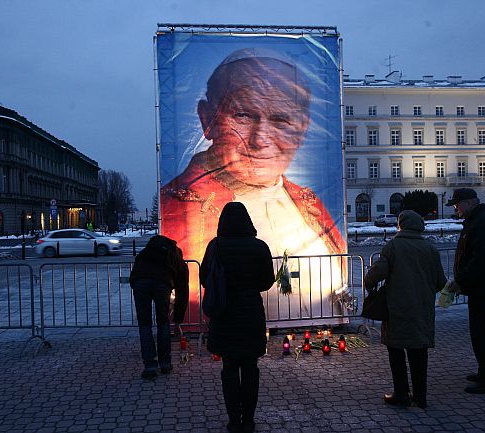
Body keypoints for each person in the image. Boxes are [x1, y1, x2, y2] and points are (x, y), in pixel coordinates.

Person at [161, 49, 346, 321]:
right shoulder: (178, 206)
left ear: (303, 128)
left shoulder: (309, 203)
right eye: (244, 116)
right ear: (207, 118)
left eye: (281, 119)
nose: (260, 139)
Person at [200, 202, 275, 433]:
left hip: (225, 317)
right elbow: (267, 281)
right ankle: (249, 421)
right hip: (251, 315)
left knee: (229, 369)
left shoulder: (215, 246)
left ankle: (234, 420)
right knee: (251, 369)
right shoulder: (259, 247)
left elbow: (205, 278)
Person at [364, 210, 447, 409]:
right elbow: (440, 283)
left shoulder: (393, 247)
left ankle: (401, 394)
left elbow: (377, 273)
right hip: (422, 309)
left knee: (396, 350)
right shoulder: (430, 249)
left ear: (400, 225)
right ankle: (421, 396)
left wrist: (369, 281)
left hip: (397, 307)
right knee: (419, 352)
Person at [446, 188, 485, 394]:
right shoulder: (477, 221)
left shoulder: (483, 222)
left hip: (483, 287)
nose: (456, 209)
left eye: (458, 204)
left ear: (470, 203)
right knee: (480, 333)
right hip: (479, 287)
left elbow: (482, 259)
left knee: (482, 334)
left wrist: (461, 279)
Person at [129, 235, 189, 379]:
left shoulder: (146, 252)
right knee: (163, 323)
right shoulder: (174, 255)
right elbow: (182, 289)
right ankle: (165, 364)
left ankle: (150, 366)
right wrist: (178, 319)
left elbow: (135, 272)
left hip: (140, 283)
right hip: (162, 284)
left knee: (144, 324)